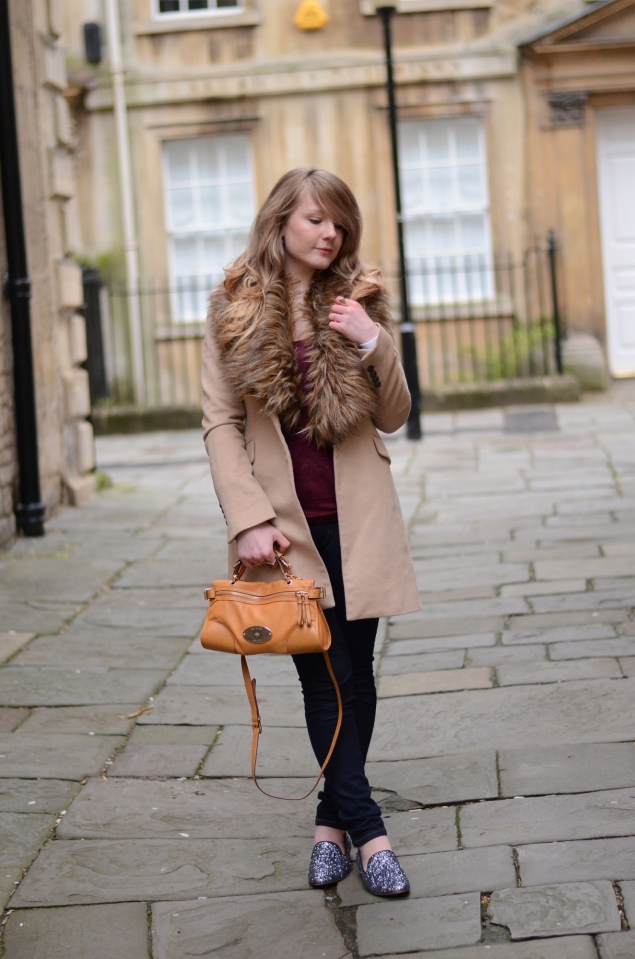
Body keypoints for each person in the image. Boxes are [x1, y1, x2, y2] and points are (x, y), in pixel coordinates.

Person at [201, 167, 420, 897]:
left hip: (357, 520)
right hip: (284, 532)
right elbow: (221, 423)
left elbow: (394, 413)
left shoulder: (359, 301)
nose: (329, 234)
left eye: (338, 223)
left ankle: (330, 828)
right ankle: (372, 833)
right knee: (323, 677)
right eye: (316, 220)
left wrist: (372, 339)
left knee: (355, 678)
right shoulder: (234, 307)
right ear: (281, 223)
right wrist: (247, 518)